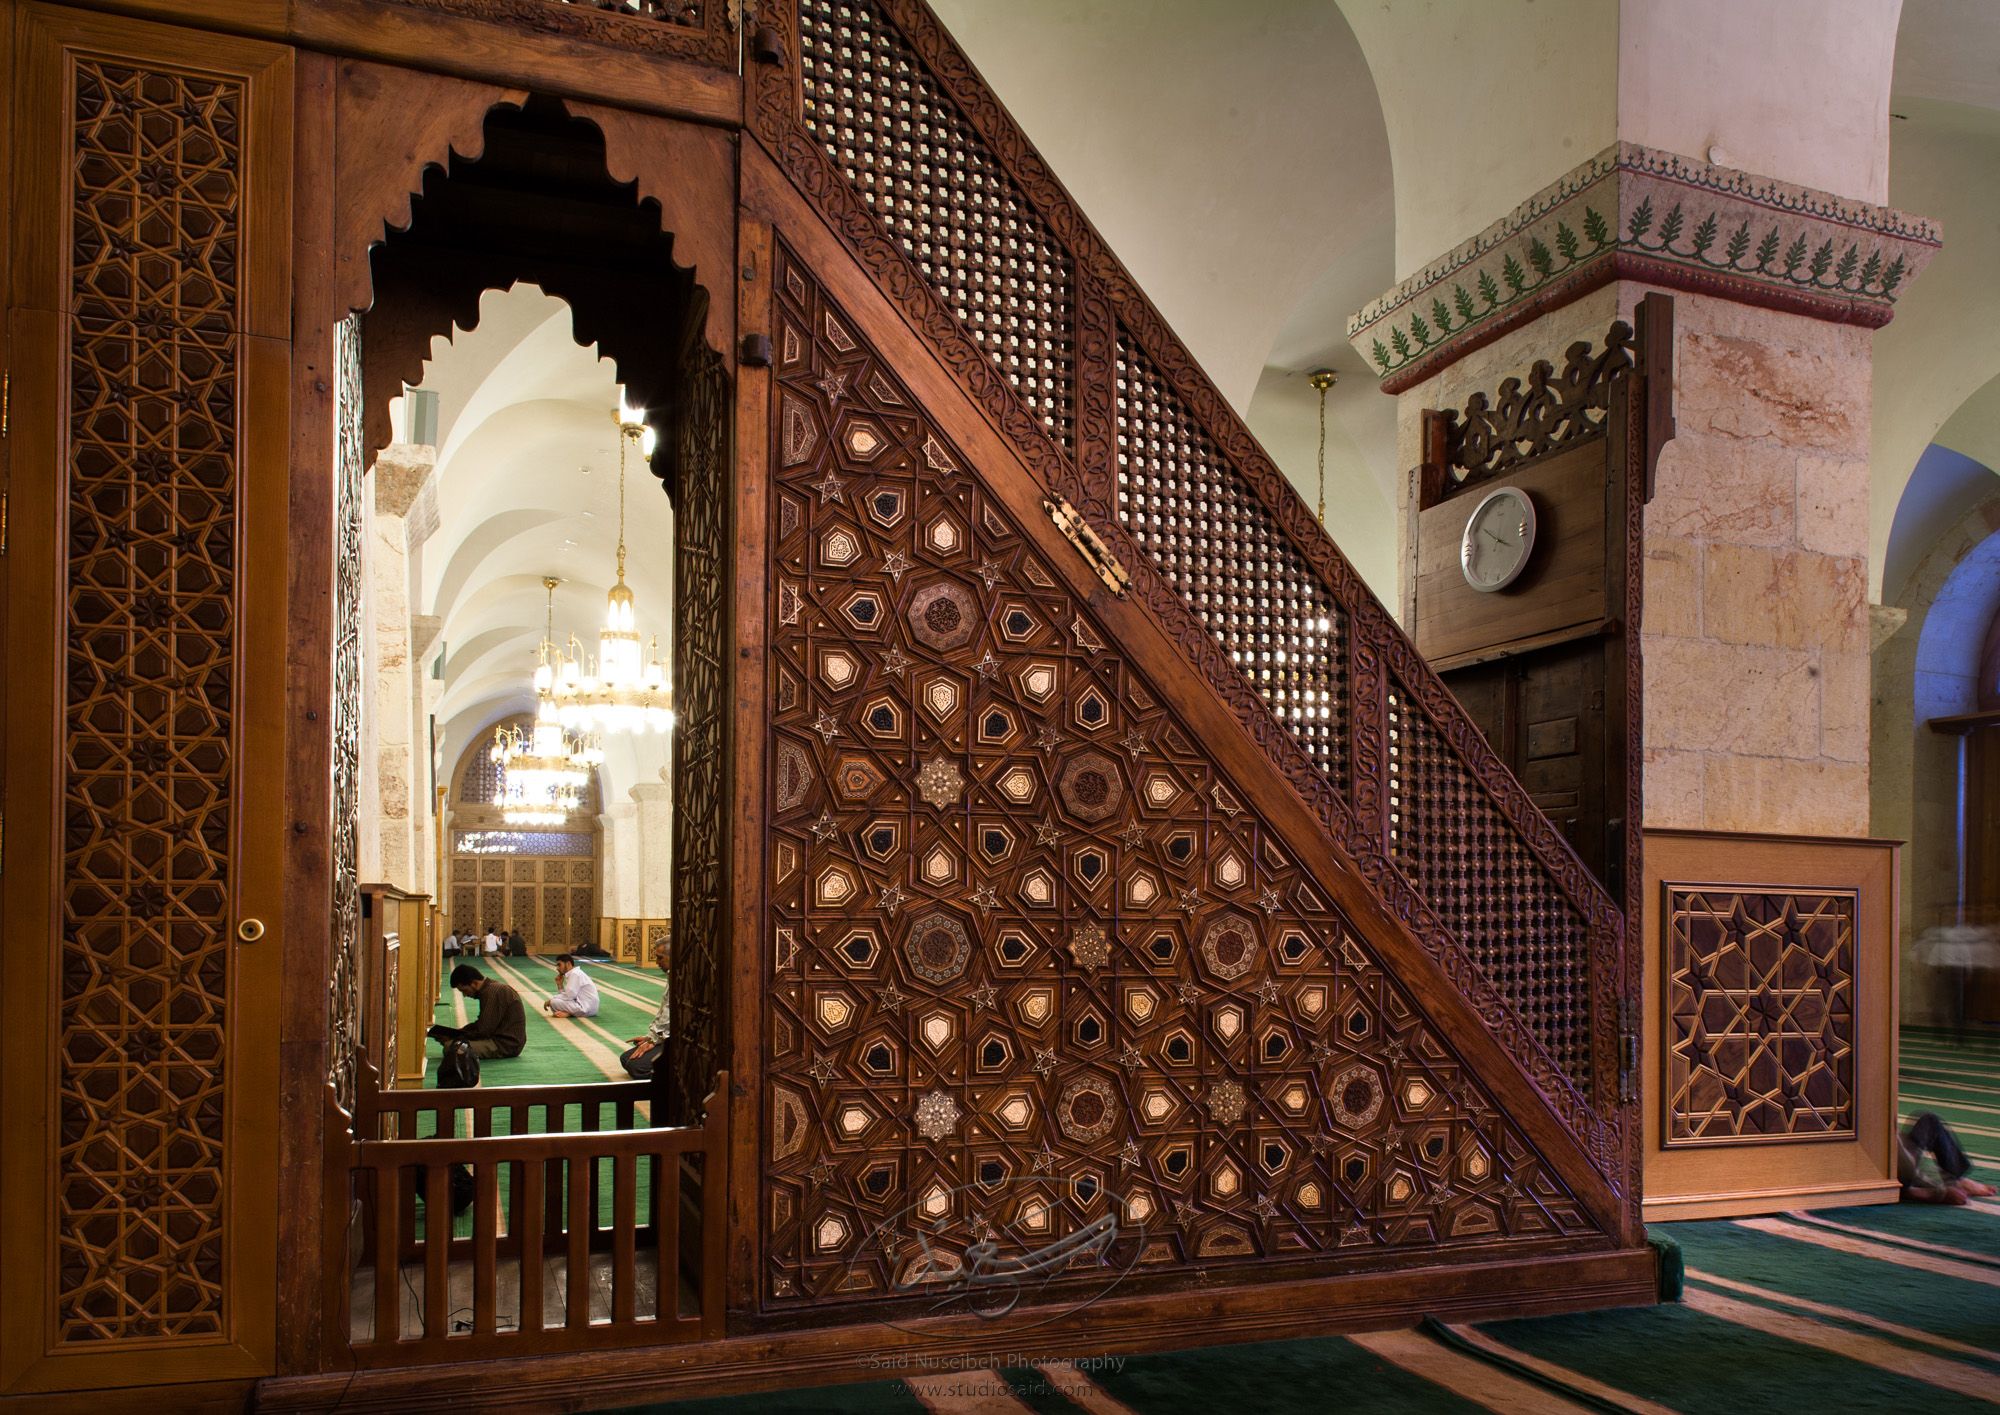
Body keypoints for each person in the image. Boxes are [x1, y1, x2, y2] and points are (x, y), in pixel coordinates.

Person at [427, 964, 527, 1059]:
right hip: (499, 1040)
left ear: (474, 983)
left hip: (504, 1045)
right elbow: (481, 1025)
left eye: (464, 990)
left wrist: (456, 1037)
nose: (465, 995)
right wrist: (456, 1033)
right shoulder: (491, 989)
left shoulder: (492, 992)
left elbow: (483, 1031)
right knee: (453, 1044)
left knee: (452, 1047)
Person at [1899, 1111, 1997, 1204]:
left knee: (1929, 1121)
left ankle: (1956, 1179)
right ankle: (1908, 1190)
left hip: (1894, 1157)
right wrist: (1938, 1194)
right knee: (1900, 1160)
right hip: (1893, 1172)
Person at [621, 935, 672, 1078]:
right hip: (665, 1038)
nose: (656, 962)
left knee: (636, 1065)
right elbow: (663, 1011)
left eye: (660, 958)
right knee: (626, 1058)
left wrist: (654, 1040)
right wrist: (649, 1037)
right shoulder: (672, 976)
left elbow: (669, 1015)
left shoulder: (683, 978)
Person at [542, 953, 601, 1018]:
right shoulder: (575, 973)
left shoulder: (575, 974)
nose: (557, 968)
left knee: (553, 1002)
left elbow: (569, 996)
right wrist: (560, 985)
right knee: (555, 1001)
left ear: (568, 964)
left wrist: (551, 1000)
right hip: (589, 1008)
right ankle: (569, 1013)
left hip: (585, 1008)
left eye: (559, 965)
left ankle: (569, 1014)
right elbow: (569, 996)